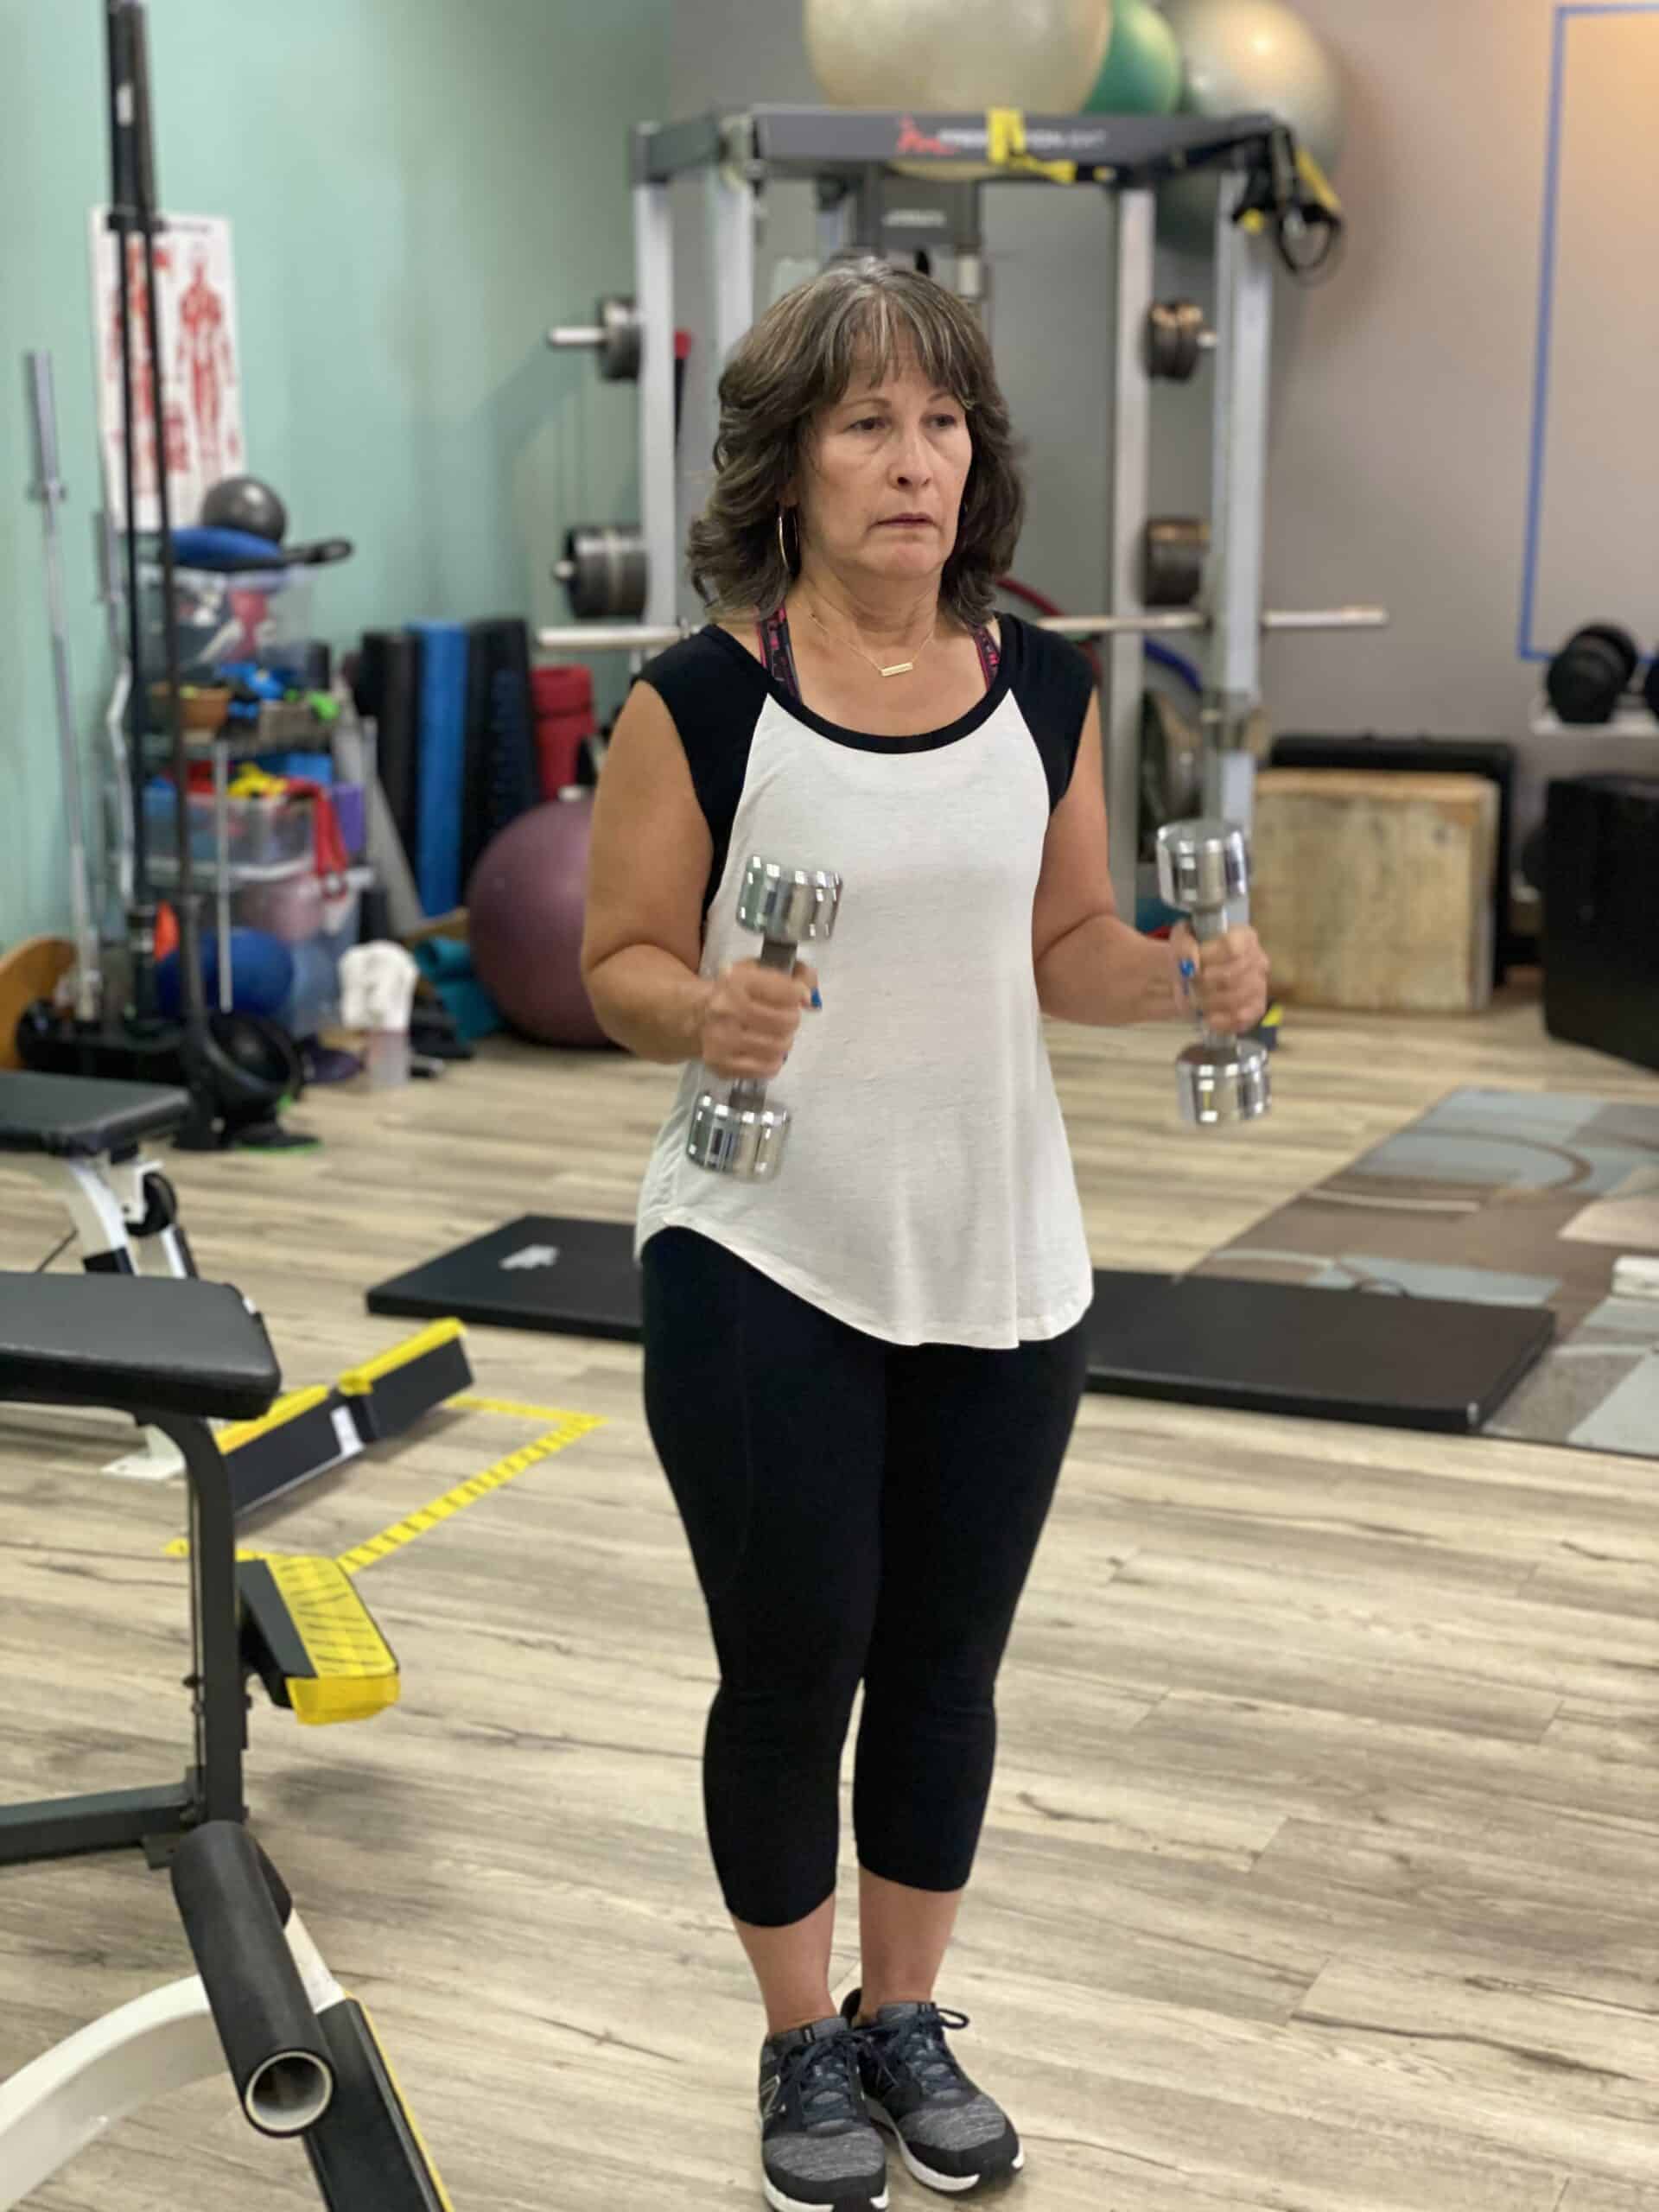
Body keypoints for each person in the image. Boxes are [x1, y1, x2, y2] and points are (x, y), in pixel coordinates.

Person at [581, 259, 1269, 2212]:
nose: (915, 462)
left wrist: (1192, 978)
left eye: (944, 421)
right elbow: (611, 956)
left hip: (1004, 1252)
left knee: (949, 1666)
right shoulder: (703, 700)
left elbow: (1067, 951)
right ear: (788, 466)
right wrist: (695, 1008)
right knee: (796, 1659)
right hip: (764, 1256)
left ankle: (906, 2014)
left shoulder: (1043, 684)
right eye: (868, 423)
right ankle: (799, 2037)